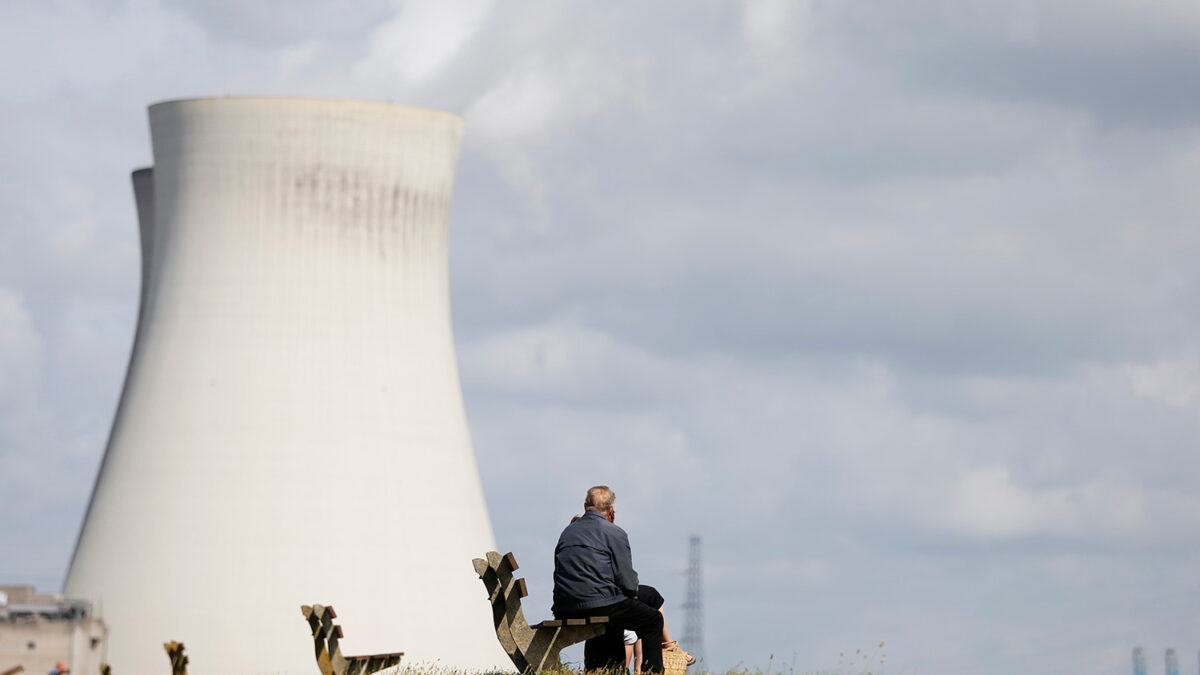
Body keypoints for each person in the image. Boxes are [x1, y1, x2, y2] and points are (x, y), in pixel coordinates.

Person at [554, 486, 691, 673]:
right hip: (599, 603)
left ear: (585, 506)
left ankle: (606, 668)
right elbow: (628, 583)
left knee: (646, 597)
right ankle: (652, 671)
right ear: (611, 510)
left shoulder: (567, 532)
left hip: (566, 607)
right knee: (653, 620)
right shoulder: (613, 532)